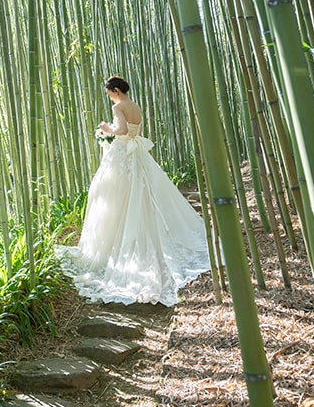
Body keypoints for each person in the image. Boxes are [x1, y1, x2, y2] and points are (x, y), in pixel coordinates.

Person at [55, 76, 211, 306]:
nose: (108, 96)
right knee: (140, 191)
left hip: (122, 154)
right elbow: (136, 131)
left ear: (116, 91)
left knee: (110, 194)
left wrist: (106, 129)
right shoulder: (136, 106)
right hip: (137, 154)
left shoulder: (118, 106)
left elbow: (123, 129)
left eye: (109, 92)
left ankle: (116, 243)